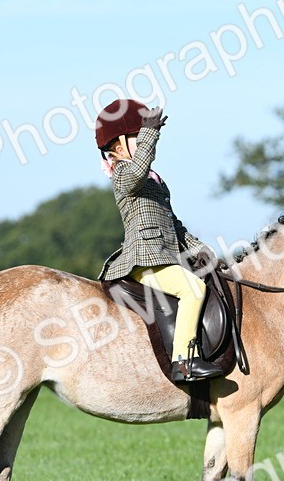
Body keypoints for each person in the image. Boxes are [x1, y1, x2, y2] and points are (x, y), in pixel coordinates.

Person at [95, 99, 222, 383]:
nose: (143, 142)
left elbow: (174, 224)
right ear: (117, 147)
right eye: (137, 139)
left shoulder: (155, 181)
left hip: (166, 255)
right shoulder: (124, 174)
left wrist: (201, 249)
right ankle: (184, 361)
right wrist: (151, 132)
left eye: (143, 138)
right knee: (193, 289)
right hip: (145, 259)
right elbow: (138, 170)